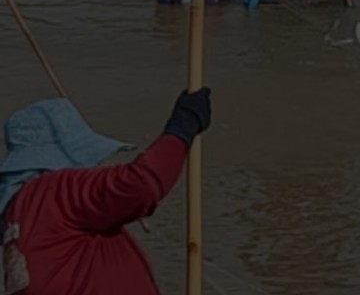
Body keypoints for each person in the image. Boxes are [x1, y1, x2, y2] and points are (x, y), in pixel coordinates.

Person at [0, 89, 212, 294]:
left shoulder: (18, 213)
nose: (94, 166)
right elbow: (140, 185)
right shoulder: (50, 191)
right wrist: (182, 128)